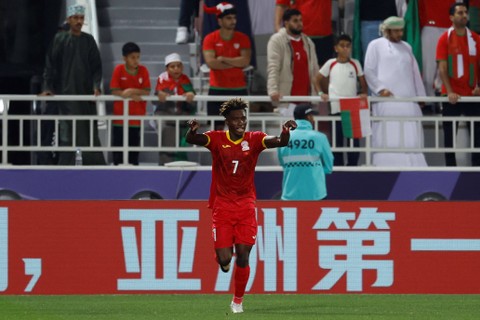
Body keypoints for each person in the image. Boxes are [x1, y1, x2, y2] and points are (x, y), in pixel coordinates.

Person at [185, 98, 297, 314]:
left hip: (246, 205)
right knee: (225, 259)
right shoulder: (216, 139)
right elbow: (192, 139)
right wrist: (191, 130)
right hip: (223, 206)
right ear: (227, 121)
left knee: (244, 254)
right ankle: (223, 261)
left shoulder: (254, 139)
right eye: (235, 119)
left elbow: (280, 142)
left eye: (243, 118)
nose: (240, 122)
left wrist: (285, 131)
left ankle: (237, 301)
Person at [40, 4, 106, 165]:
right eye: (75, 18)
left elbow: (97, 67)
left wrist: (96, 86)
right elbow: (50, 65)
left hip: (85, 96)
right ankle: (65, 168)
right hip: (65, 95)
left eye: (81, 18)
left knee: (89, 131)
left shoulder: (88, 41)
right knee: (67, 134)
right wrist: (48, 87)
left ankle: (96, 169)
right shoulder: (60, 39)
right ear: (69, 19)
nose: (79, 21)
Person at [364, 16, 427, 167]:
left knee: (410, 137)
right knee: (388, 135)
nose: (400, 34)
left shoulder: (407, 47)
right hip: (387, 101)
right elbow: (369, 70)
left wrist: (421, 95)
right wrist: (380, 89)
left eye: (401, 30)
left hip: (408, 101)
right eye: (396, 31)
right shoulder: (375, 45)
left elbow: (415, 73)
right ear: (386, 31)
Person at [436, 3, 480, 166]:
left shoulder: (476, 39)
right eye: (460, 12)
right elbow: (442, 68)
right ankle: (450, 170)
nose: (464, 15)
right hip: (452, 96)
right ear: (451, 18)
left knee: (478, 136)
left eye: (466, 12)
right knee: (449, 137)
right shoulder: (444, 38)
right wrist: (449, 91)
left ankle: (477, 169)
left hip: (472, 96)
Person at [315, 34, 368, 166]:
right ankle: (337, 167)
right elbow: (316, 79)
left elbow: (363, 82)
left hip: (352, 107)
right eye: (342, 45)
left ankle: (353, 167)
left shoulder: (355, 64)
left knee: (353, 141)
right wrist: (321, 93)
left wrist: (363, 93)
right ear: (336, 48)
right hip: (335, 107)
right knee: (336, 141)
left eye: (348, 46)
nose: (345, 48)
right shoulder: (330, 63)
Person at [202, 2, 251, 130]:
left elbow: (245, 61)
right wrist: (235, 63)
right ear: (219, 20)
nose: (233, 21)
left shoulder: (243, 38)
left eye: (234, 18)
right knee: (216, 131)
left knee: (239, 129)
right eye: (229, 18)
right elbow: (211, 63)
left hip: (238, 90)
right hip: (217, 89)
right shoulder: (209, 39)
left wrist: (223, 59)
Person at [267, 8, 319, 116]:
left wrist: (318, 92)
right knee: (289, 132)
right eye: (295, 21)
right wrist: (273, 90)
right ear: (286, 23)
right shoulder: (276, 40)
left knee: (306, 132)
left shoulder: (308, 42)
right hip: (287, 100)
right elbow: (273, 67)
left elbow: (315, 70)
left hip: (306, 100)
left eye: (300, 20)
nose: (299, 23)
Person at [277, 104, 333, 200]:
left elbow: (283, 163)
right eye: (312, 116)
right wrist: (314, 170)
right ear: (309, 117)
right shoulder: (320, 137)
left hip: (290, 194)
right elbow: (329, 166)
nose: (313, 119)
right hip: (315, 194)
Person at [110, 42, 151, 165]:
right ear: (125, 58)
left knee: (133, 150)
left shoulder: (143, 70)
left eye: (138, 57)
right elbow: (115, 90)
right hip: (120, 117)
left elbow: (147, 91)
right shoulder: (118, 70)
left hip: (136, 118)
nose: (136, 60)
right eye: (132, 57)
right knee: (118, 149)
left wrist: (132, 91)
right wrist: (129, 95)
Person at [154, 53, 196, 164]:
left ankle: (181, 163)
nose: (176, 69)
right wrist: (160, 95)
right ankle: (165, 166)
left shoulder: (185, 80)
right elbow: (155, 99)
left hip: (183, 116)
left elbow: (192, 101)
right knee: (166, 131)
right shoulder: (162, 79)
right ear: (167, 68)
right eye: (173, 66)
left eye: (179, 66)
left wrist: (191, 95)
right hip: (166, 116)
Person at [274, 0, 334, 66]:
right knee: (299, 71)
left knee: (324, 72)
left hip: (324, 35)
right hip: (298, 36)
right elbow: (281, 5)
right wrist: (278, 28)